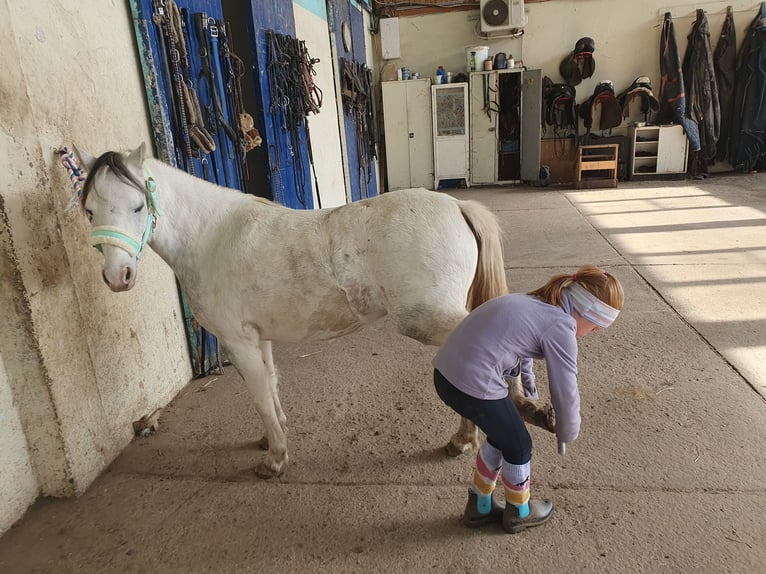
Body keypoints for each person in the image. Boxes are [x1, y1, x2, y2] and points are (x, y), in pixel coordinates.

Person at [432, 265, 624, 534]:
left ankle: (480, 505)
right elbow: (565, 386)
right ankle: (519, 512)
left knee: (503, 436)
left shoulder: (535, 303)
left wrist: (528, 397)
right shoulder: (561, 326)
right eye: (596, 327)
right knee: (519, 445)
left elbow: (523, 357)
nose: (594, 333)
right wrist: (566, 430)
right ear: (585, 311)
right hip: (472, 383)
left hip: (445, 374)